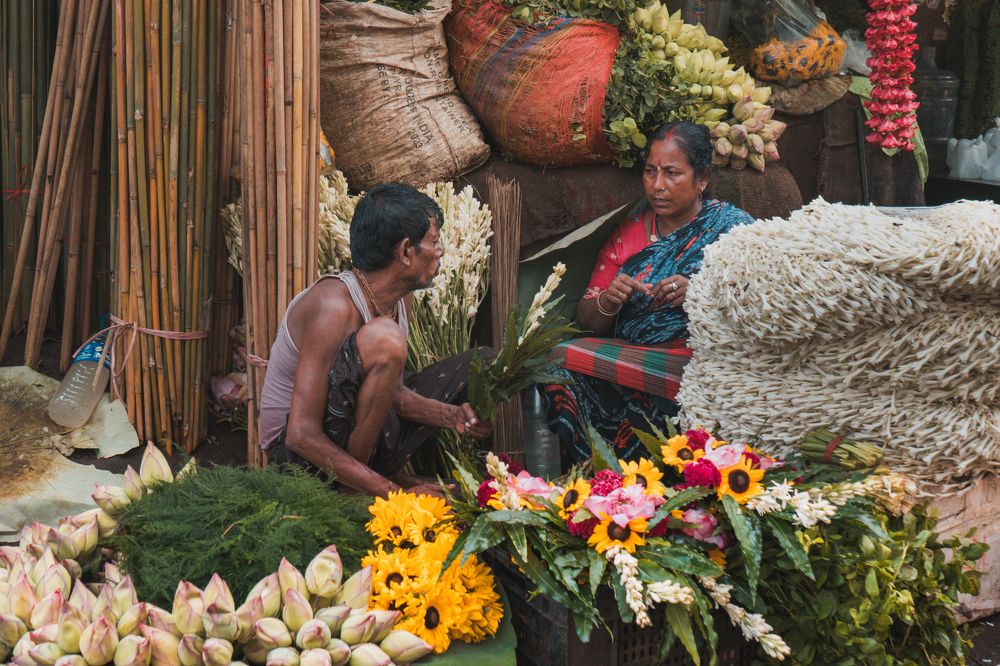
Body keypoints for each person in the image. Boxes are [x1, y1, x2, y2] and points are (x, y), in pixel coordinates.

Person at [258, 183, 492, 498]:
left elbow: (393, 395)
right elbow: (300, 435)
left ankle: (367, 482)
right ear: (406, 251)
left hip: (347, 436)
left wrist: (454, 417)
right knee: (386, 340)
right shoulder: (333, 307)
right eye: (433, 242)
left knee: (486, 362)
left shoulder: (399, 299)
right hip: (296, 459)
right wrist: (396, 496)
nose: (440, 251)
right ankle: (353, 496)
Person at [543, 121, 754, 463]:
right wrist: (609, 301)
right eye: (650, 171)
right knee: (558, 363)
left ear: (702, 179)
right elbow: (587, 319)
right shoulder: (629, 234)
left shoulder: (735, 231)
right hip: (637, 361)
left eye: (672, 173)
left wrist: (702, 292)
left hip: (704, 364)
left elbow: (764, 301)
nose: (657, 186)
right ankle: (598, 473)